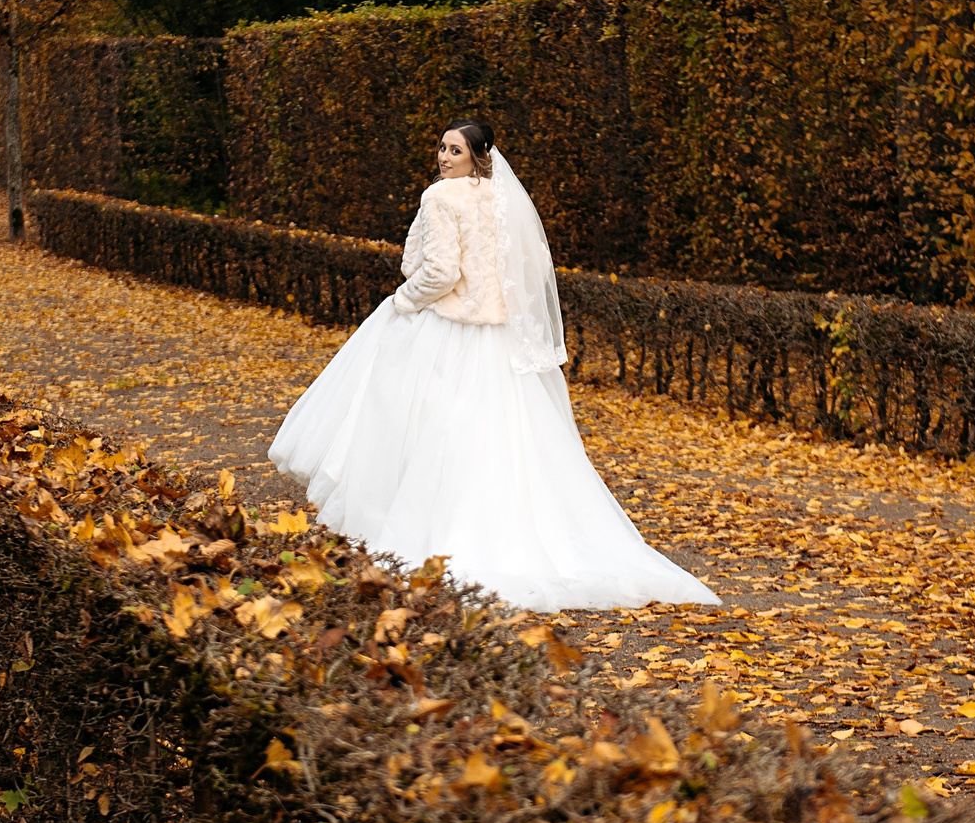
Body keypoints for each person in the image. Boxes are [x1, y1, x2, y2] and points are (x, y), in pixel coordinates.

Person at [269, 119, 718, 611]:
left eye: (454, 150)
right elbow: (522, 270)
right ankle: (515, 531)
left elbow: (440, 272)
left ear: (476, 156)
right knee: (505, 438)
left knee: (424, 428)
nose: (443, 157)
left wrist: (403, 300)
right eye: (441, 147)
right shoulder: (502, 199)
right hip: (500, 340)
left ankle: (427, 529)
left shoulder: (440, 198)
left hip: (450, 333)